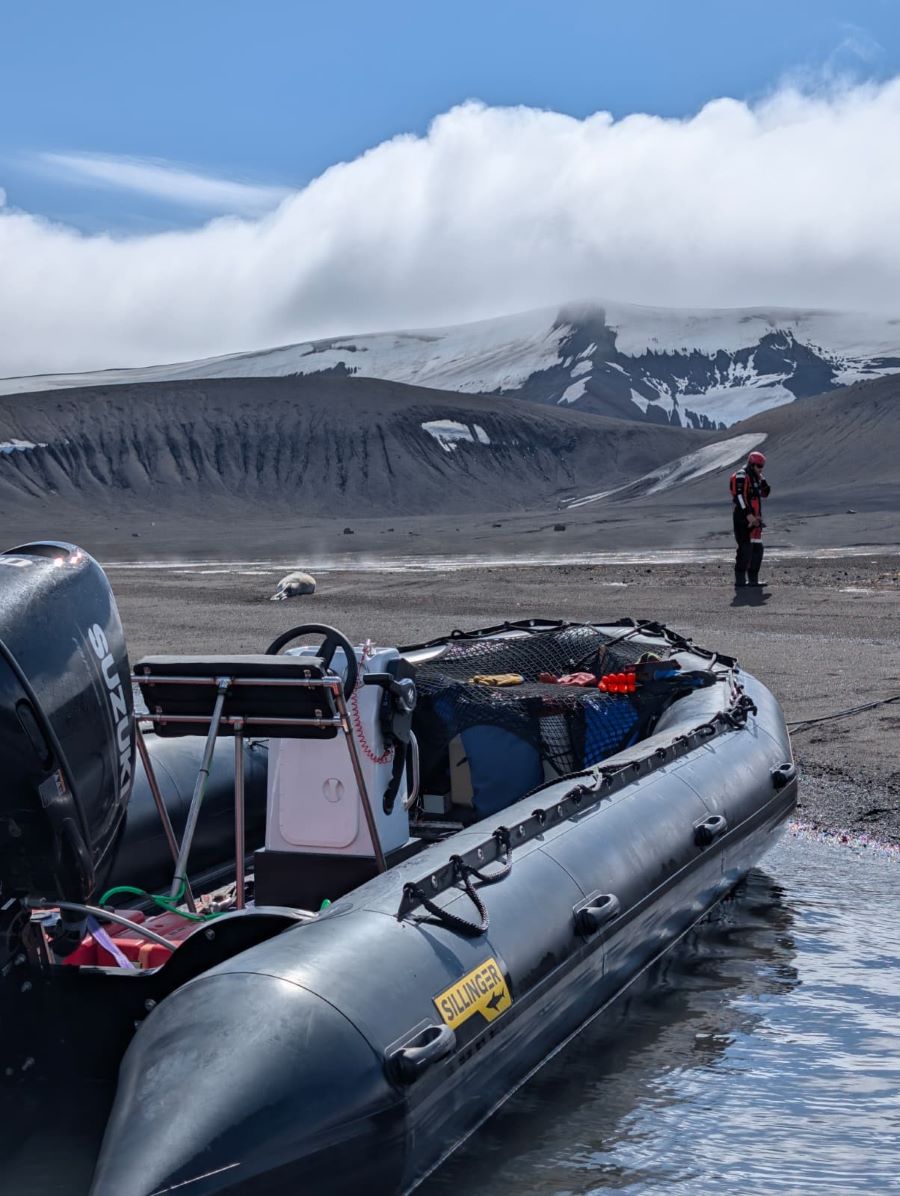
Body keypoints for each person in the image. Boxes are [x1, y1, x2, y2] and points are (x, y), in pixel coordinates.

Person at [730, 450, 770, 588]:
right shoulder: (741, 475)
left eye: (762, 467)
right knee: (745, 549)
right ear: (751, 464)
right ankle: (740, 580)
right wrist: (748, 515)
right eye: (758, 466)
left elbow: (766, 493)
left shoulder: (756, 478)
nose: (760, 469)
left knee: (757, 550)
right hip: (743, 519)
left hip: (756, 520)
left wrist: (762, 478)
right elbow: (739, 496)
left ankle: (753, 580)